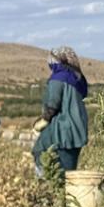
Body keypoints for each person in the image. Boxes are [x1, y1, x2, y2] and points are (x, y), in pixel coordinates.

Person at [31, 46, 89, 175]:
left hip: (61, 129)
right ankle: (65, 193)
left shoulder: (58, 78)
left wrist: (42, 121)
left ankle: (46, 189)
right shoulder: (78, 77)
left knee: (41, 153)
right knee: (69, 171)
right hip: (78, 130)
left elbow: (53, 104)